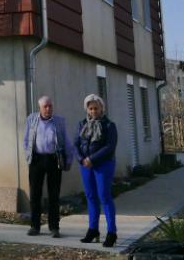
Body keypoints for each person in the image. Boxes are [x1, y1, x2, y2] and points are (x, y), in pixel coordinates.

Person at [22, 95, 71, 237]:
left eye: (50, 106)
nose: (48, 109)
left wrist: (68, 160)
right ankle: (35, 227)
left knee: (54, 195)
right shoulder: (32, 119)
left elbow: (66, 141)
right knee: (35, 194)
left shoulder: (59, 122)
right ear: (40, 108)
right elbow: (26, 140)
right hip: (36, 160)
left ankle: (54, 227)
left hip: (53, 159)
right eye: (45, 106)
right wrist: (28, 156)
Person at [74, 93, 119, 247]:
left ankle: (112, 232)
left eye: (96, 108)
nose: (93, 111)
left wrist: (92, 159)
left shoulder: (109, 125)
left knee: (104, 197)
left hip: (103, 165)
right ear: (87, 109)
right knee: (91, 197)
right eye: (90, 108)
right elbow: (76, 144)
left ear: (101, 108)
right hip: (85, 166)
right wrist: (81, 159)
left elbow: (110, 146)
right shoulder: (82, 124)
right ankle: (93, 229)